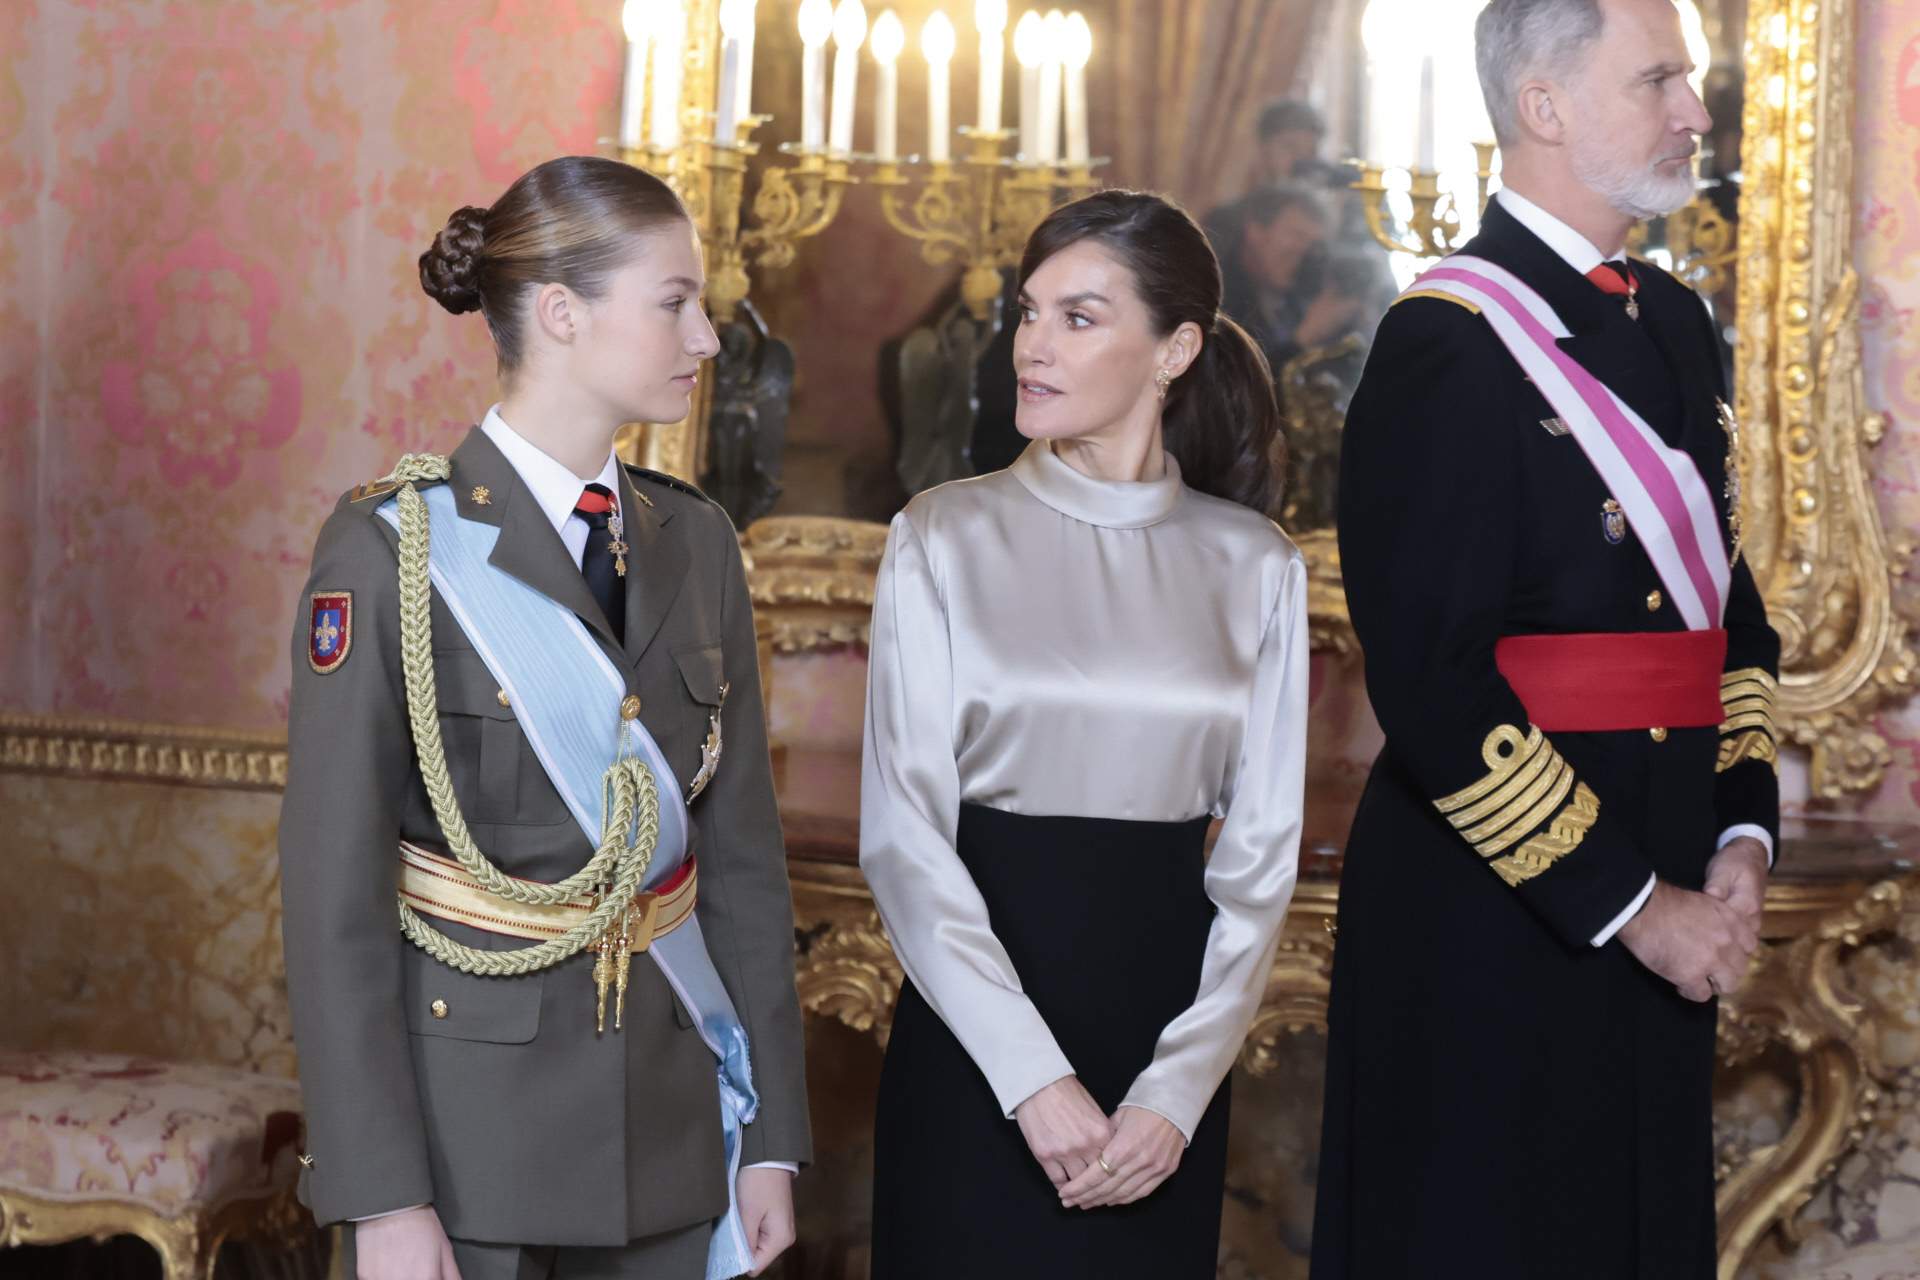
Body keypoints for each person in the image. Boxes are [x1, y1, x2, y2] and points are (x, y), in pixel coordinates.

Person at [279, 155, 811, 1280]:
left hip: (675, 1132)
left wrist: (771, 1141)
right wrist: (383, 1195)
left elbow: (746, 867)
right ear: (563, 314)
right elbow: (336, 905)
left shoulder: (699, 542)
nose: (708, 337)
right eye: (675, 302)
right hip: (476, 1153)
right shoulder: (394, 551)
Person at [1311, 1, 1777, 1276]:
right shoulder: (1443, 345)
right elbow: (1434, 685)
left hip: (1672, 884)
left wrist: (1738, 832)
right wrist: (1638, 908)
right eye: (1661, 79)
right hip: (1503, 921)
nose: (1695, 111)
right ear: (1545, 107)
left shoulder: (1674, 324)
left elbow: (1726, 623)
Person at [861, 189, 1310, 1278]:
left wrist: (1174, 1092)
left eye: (1080, 316)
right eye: (1030, 312)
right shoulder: (940, 536)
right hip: (976, 1055)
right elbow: (904, 843)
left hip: (1162, 1075)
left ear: (1176, 349)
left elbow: (1259, 867)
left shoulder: (1256, 565)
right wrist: (1032, 1080)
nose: (1033, 346)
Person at [1221, 185, 1370, 377]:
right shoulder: (1217, 297)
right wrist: (1304, 339)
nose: (1307, 252)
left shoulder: (1296, 301)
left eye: (1315, 244)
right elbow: (1233, 388)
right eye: (1297, 235)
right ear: (1255, 231)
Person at [1205, 99, 1333, 275]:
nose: (1301, 161)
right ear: (1262, 149)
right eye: (1290, 147)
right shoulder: (1226, 220)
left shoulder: (1328, 223)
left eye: (1311, 152)